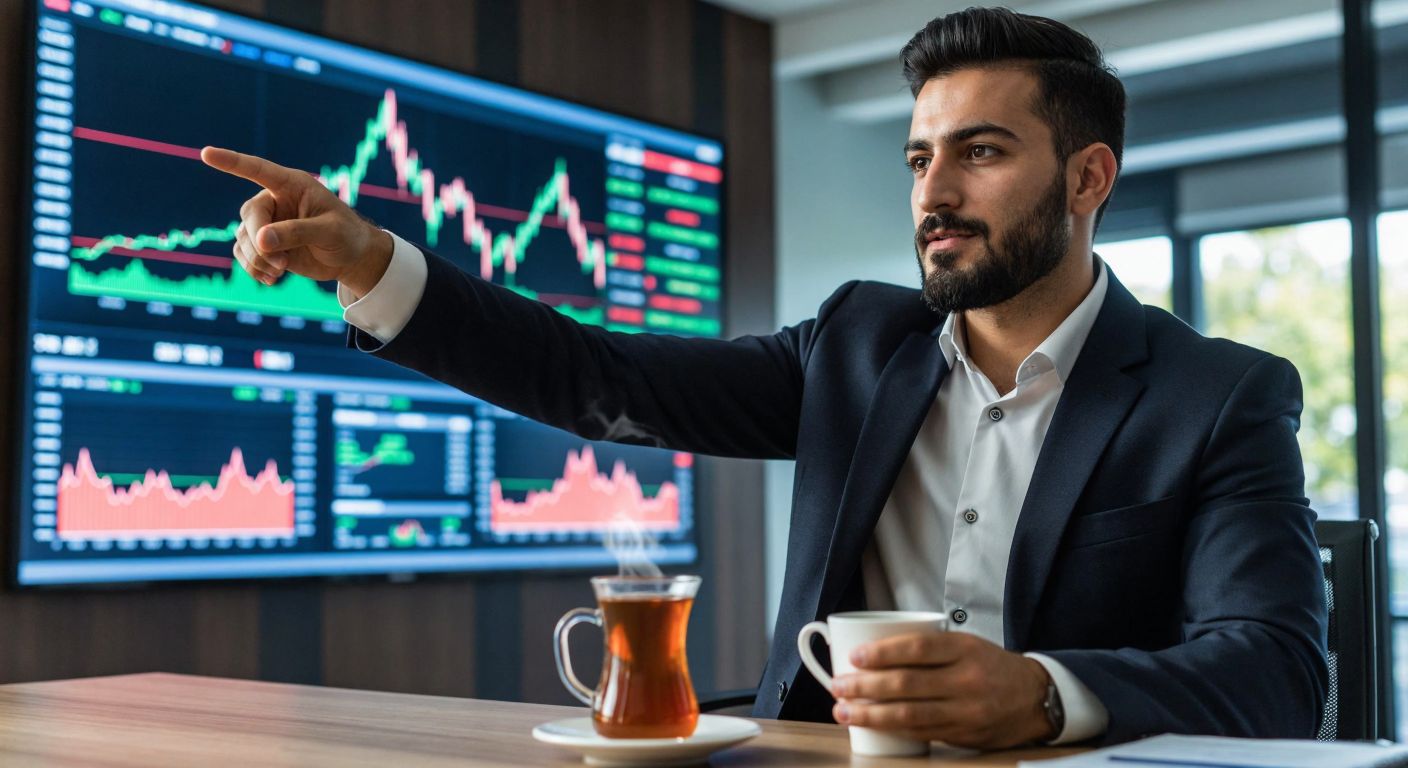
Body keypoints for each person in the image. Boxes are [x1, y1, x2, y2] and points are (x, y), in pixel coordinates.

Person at [200, 6, 1327, 749]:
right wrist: (370, 265)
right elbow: (604, 378)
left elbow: (1275, 669)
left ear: (1087, 179)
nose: (934, 191)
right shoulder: (858, 344)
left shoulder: (1217, 394)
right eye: (919, 157)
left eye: (980, 152)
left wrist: (1038, 692)